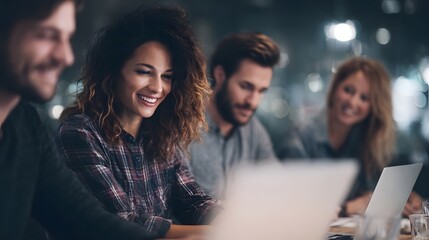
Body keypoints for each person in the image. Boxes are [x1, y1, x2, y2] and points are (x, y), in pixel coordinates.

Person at [56, 6, 222, 239]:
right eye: (145, 71)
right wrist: (215, 233)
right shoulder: (80, 131)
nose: (157, 87)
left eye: (167, 76)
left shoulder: (163, 134)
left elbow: (193, 200)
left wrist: (232, 218)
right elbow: (123, 221)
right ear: (113, 71)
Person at [0, 0, 158, 239]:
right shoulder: (77, 129)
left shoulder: (26, 127)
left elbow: (85, 219)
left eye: (66, 38)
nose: (65, 56)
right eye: (46, 35)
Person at [278, 57, 422, 217]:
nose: (353, 102)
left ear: (374, 106)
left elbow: (371, 195)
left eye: (364, 98)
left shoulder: (366, 138)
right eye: (348, 90)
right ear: (334, 89)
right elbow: (291, 205)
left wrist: (399, 199)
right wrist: (348, 208)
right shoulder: (300, 136)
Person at [188, 32, 280, 199]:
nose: (253, 101)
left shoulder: (253, 130)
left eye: (261, 91)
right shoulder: (184, 126)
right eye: (246, 86)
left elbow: (277, 187)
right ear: (220, 75)